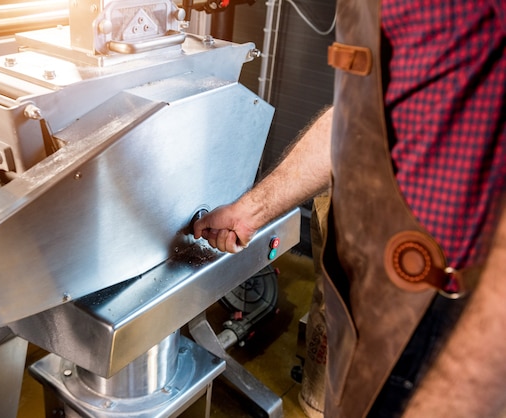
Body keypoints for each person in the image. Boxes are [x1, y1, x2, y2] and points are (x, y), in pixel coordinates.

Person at [193, 0, 506, 416]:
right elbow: (357, 117)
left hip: (450, 314)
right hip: (368, 292)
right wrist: (253, 208)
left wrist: (461, 391)